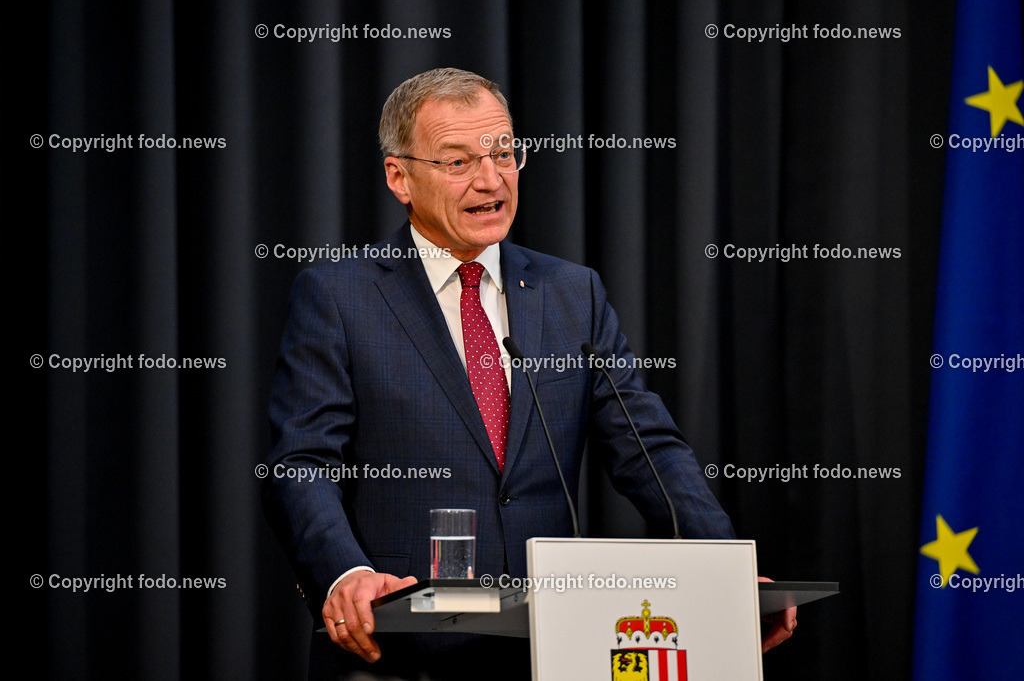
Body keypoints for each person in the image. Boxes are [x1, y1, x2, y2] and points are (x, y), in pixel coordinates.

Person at [263, 67, 796, 680]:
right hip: (397, 651)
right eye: (458, 162)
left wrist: (723, 569)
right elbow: (300, 463)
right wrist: (345, 573)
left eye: (503, 154)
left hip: (550, 650)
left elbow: (647, 446)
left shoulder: (572, 293)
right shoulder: (338, 295)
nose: (491, 180)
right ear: (399, 177)